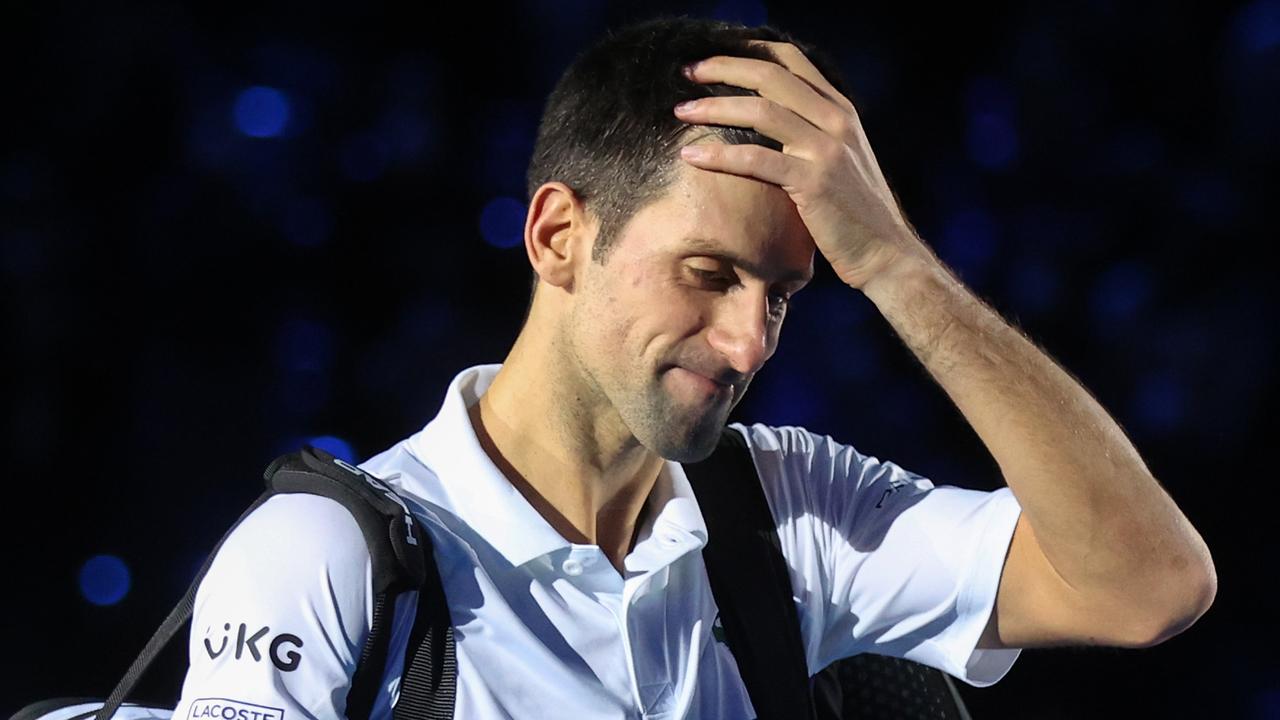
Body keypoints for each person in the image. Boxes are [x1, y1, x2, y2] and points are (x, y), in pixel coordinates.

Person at [171, 15, 1216, 719]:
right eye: (706, 272)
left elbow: (1146, 586)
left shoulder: (793, 515)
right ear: (556, 237)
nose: (748, 343)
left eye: (781, 297)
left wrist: (895, 265)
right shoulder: (328, 553)